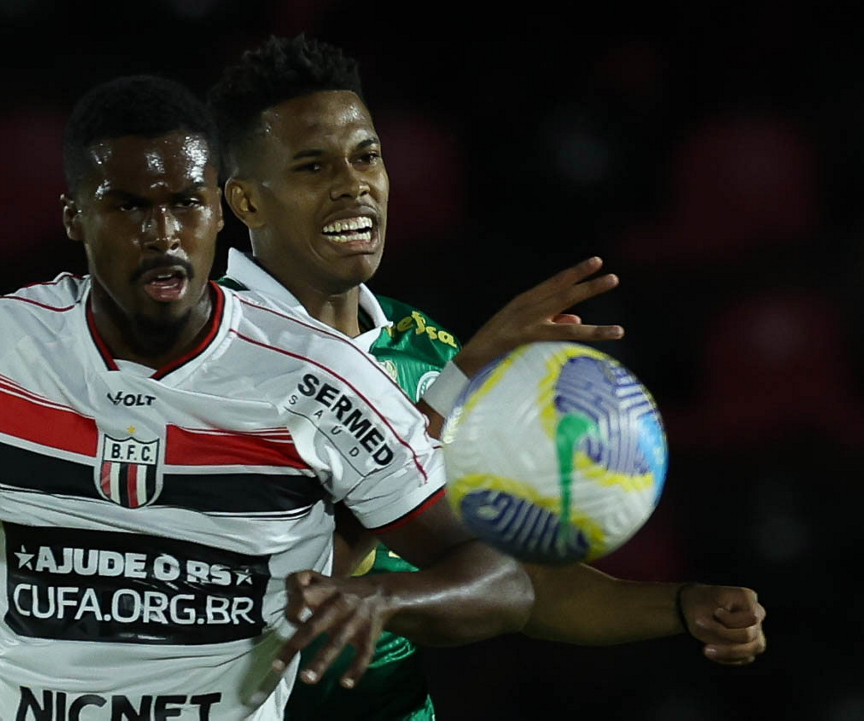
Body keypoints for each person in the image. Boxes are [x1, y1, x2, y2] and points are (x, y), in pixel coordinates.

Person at [0, 75, 537, 721]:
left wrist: (388, 601)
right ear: (75, 216)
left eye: (185, 203)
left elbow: (499, 576)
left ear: (220, 211)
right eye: (129, 206)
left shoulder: (317, 376)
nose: (163, 232)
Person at [206, 35, 768, 721]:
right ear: (246, 201)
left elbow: (510, 578)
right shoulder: (210, 357)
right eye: (313, 165)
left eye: (367, 156)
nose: (353, 184)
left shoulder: (423, 346)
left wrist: (681, 605)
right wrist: (454, 387)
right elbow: (294, 591)